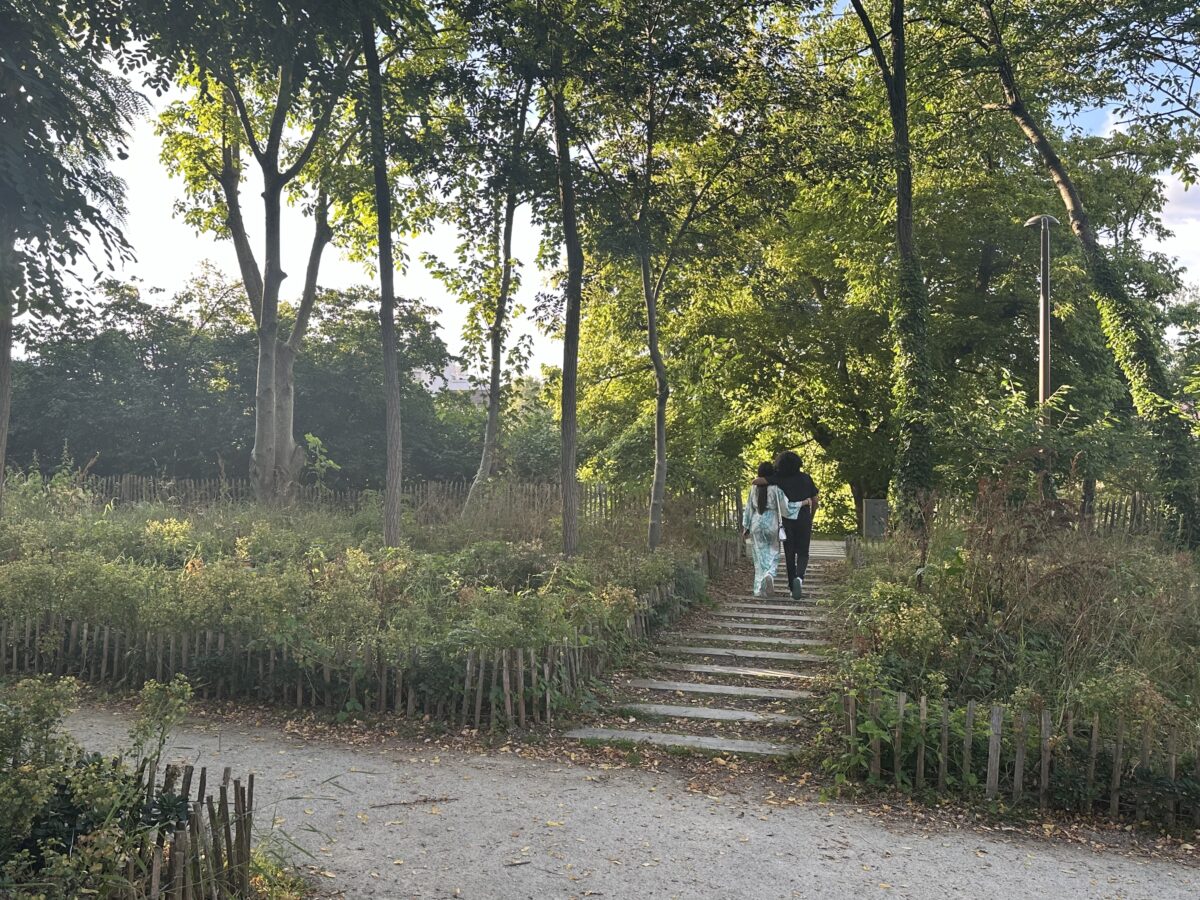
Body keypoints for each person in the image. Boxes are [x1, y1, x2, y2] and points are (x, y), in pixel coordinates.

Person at [756, 450, 818, 599]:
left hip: (786, 521)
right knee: (803, 552)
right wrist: (811, 515)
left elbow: (757, 481)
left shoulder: (778, 479)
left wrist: (770, 476)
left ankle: (791, 587)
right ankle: (799, 578)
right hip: (803, 518)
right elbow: (815, 500)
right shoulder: (806, 478)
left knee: (789, 554)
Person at [741, 461, 791, 597]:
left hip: (756, 521)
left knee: (758, 555)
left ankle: (759, 589)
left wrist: (745, 527)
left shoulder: (753, 489)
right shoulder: (776, 489)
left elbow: (748, 508)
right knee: (774, 552)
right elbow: (786, 508)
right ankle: (770, 574)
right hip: (772, 522)